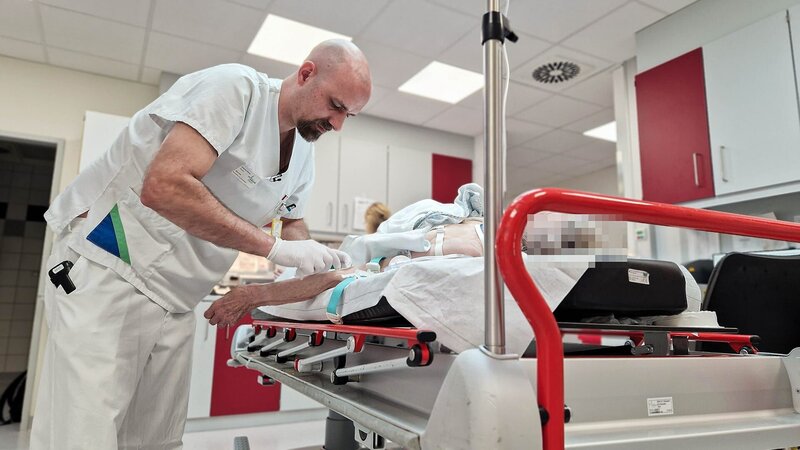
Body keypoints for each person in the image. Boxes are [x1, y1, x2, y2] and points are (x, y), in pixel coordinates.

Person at [31, 39, 371, 450]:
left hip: (176, 297)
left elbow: (292, 221)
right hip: (111, 267)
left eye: (349, 115)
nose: (338, 124)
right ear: (306, 74)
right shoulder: (235, 90)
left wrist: (317, 260)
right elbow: (164, 185)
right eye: (336, 106)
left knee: (154, 440)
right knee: (83, 435)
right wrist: (275, 249)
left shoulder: (303, 154)